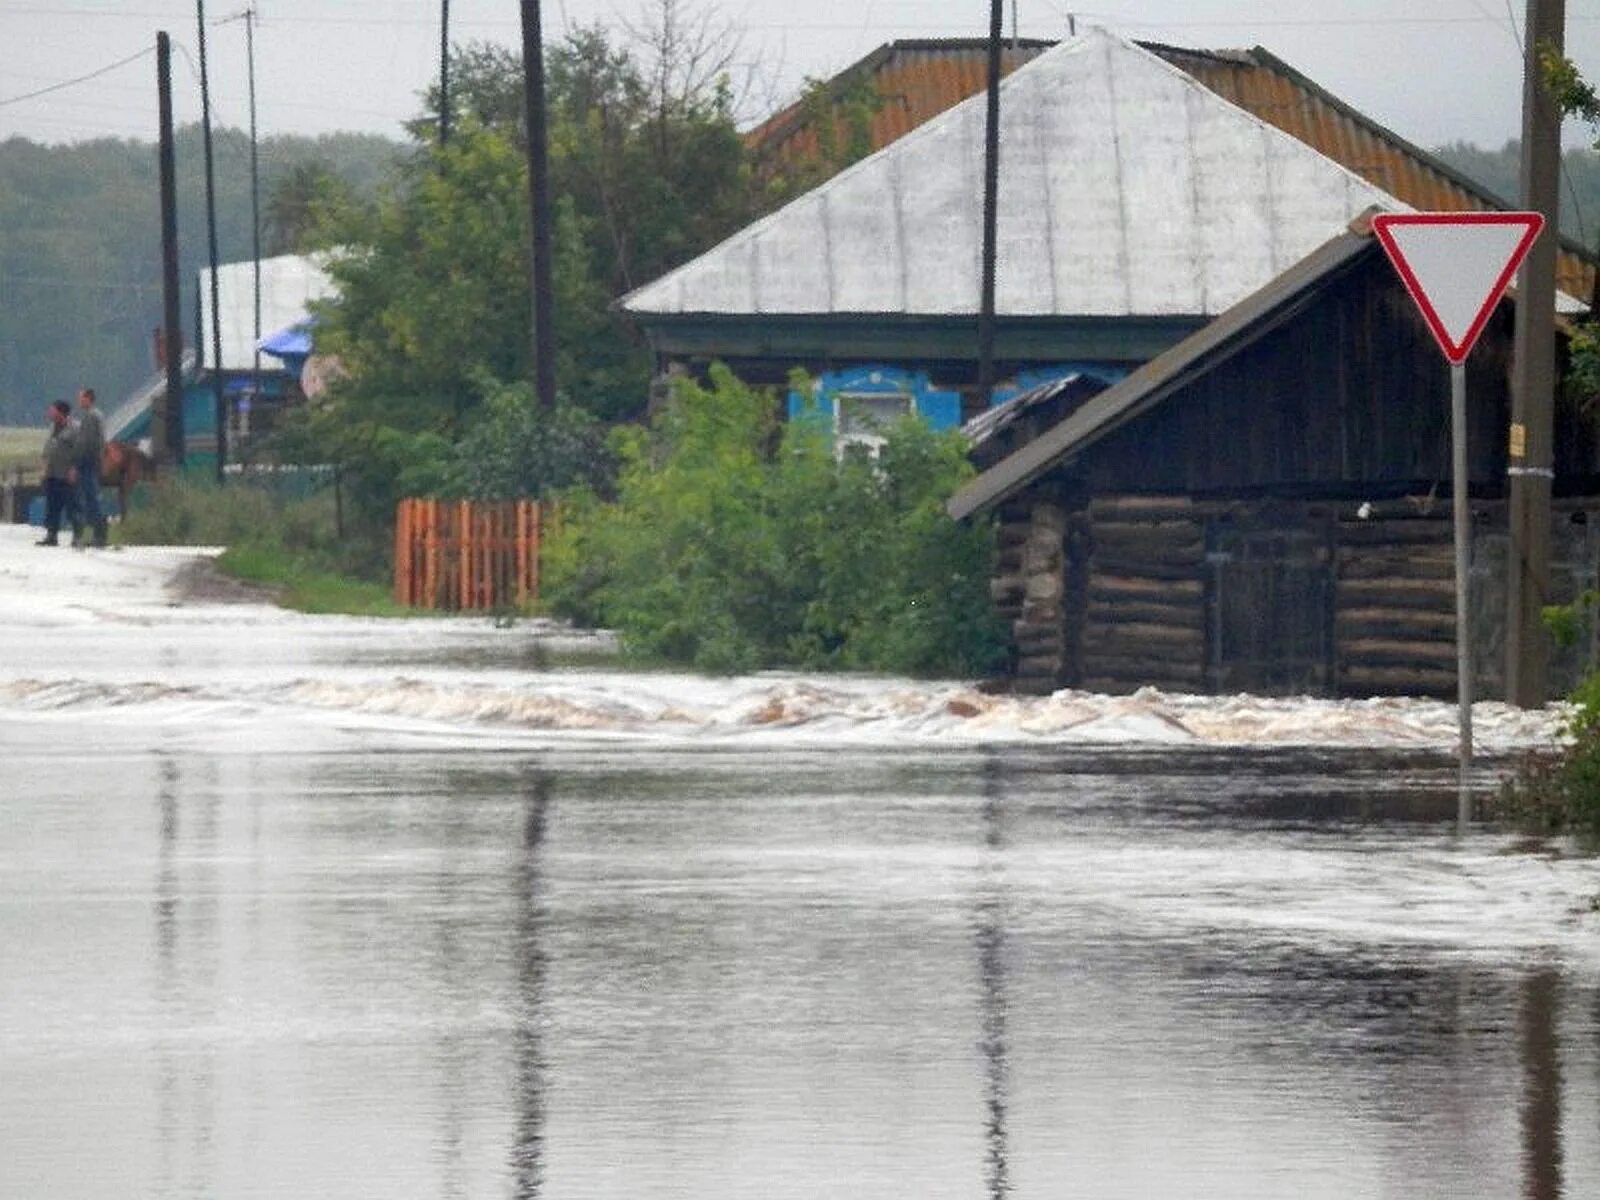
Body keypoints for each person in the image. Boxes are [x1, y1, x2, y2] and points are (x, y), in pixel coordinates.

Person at [38, 400, 82, 548]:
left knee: (72, 506)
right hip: (52, 473)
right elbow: (47, 449)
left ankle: (77, 536)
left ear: (61, 413)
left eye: (53, 411)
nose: (50, 413)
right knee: (52, 506)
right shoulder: (52, 428)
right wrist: (43, 469)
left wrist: (74, 468)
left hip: (67, 474)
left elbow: (79, 451)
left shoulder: (75, 428)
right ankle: (52, 535)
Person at [74, 387, 107, 548]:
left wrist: (79, 462)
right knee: (91, 498)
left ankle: (99, 535)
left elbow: (87, 442)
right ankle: (96, 535)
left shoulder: (91, 416)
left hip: (88, 462)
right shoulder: (96, 415)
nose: (79, 401)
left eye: (81, 398)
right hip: (92, 461)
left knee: (92, 498)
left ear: (88, 399)